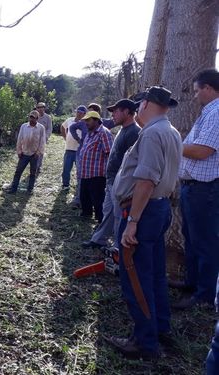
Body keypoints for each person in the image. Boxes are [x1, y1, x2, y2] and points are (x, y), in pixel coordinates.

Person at [106, 86, 182, 359]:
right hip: (159, 209)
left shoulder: (151, 133)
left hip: (143, 211)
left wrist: (133, 221)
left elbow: (146, 180)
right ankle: (160, 327)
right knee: (153, 274)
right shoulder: (171, 131)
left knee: (135, 275)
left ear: (147, 103)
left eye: (140, 104)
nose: (138, 109)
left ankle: (144, 342)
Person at [175, 68, 219, 310]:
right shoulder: (208, 112)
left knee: (205, 241)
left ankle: (204, 296)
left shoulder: (217, 112)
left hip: (205, 189)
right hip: (193, 187)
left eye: (196, 91)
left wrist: (174, 145)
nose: (195, 96)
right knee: (192, 238)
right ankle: (192, 284)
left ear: (208, 89)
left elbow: (203, 151)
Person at [82, 99, 140, 249]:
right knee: (108, 212)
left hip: (121, 182)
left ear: (127, 112)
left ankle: (117, 248)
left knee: (118, 216)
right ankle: (99, 239)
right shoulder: (122, 129)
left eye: (116, 111)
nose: (112, 114)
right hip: (112, 180)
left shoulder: (134, 132)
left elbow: (133, 162)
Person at [77, 111, 113, 221]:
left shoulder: (104, 133)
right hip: (85, 173)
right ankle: (86, 214)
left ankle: (100, 220)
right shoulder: (90, 133)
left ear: (96, 120)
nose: (86, 123)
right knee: (84, 197)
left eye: (88, 120)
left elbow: (109, 153)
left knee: (98, 200)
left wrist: (108, 172)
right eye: (85, 120)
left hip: (97, 175)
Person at [3, 110, 46, 194]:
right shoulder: (24, 126)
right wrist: (19, 151)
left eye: (33, 118)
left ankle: (30, 190)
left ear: (37, 119)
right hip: (24, 153)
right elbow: (19, 139)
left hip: (34, 154)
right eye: (30, 117)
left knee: (33, 173)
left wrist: (38, 153)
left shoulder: (41, 128)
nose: (31, 119)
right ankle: (13, 189)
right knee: (18, 172)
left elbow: (42, 142)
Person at [60, 105, 87, 189]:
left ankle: (79, 186)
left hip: (79, 150)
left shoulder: (85, 123)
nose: (78, 114)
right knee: (66, 169)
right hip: (69, 149)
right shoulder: (70, 120)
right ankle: (65, 185)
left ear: (84, 114)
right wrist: (65, 137)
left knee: (79, 170)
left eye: (81, 113)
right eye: (77, 112)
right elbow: (62, 127)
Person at [35, 102, 52, 174]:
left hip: (43, 138)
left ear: (44, 108)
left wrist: (46, 137)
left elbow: (49, 129)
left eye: (41, 107)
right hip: (34, 138)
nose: (39, 109)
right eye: (38, 107)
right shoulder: (34, 116)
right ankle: (34, 167)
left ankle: (38, 167)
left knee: (40, 153)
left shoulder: (48, 117)